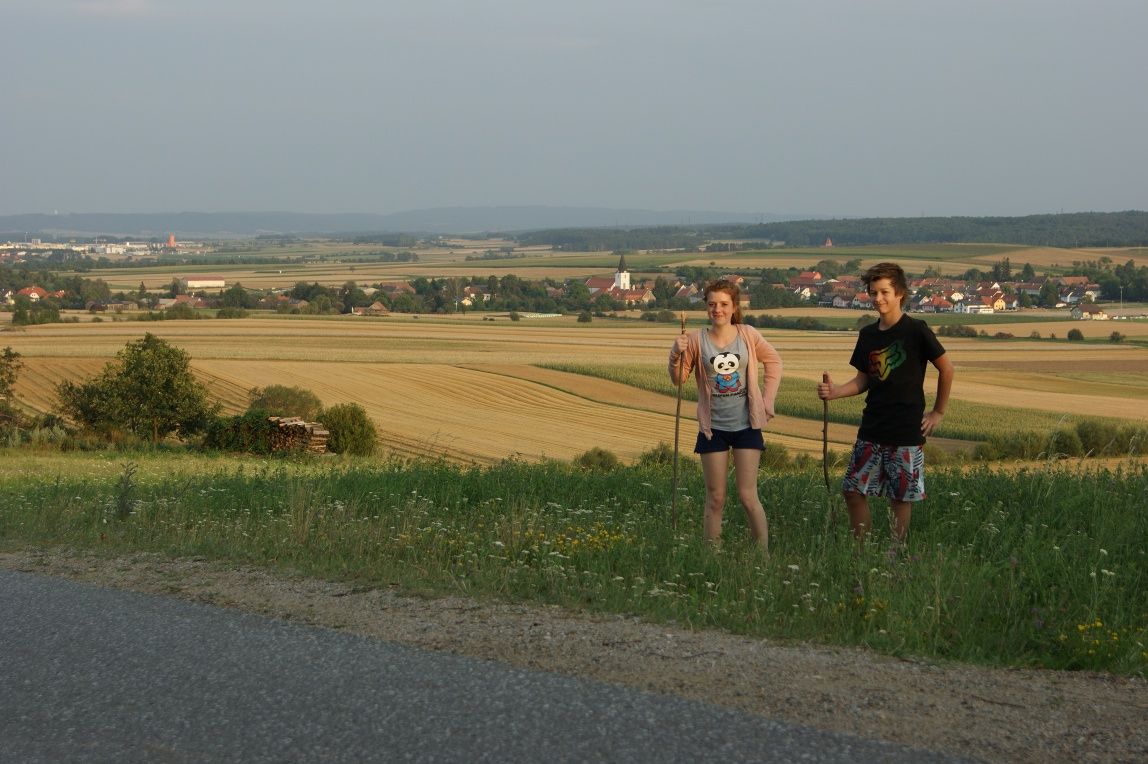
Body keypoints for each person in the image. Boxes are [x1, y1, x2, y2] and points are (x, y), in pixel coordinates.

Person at [817, 262, 954, 544]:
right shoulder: (868, 334)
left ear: (900, 293)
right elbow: (863, 379)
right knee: (852, 490)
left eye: (884, 292)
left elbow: (947, 369)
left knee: (900, 498)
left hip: (906, 429)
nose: (877, 298)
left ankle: (895, 554)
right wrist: (835, 392)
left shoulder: (916, 330)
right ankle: (861, 551)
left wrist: (938, 412)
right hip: (872, 427)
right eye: (873, 292)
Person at [668, 279, 783, 551]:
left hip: (747, 425)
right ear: (706, 307)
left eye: (723, 304)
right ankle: (712, 557)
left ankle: (762, 557)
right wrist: (675, 354)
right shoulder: (695, 340)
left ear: (734, 307)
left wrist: (767, 401)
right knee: (715, 497)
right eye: (712, 304)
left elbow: (774, 361)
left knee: (747, 496)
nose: (717, 309)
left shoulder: (748, 334)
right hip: (713, 429)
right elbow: (679, 379)